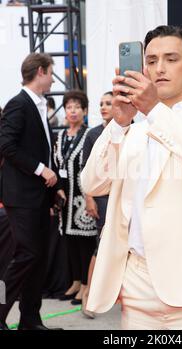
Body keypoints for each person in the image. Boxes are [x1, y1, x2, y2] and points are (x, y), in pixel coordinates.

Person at [81, 25, 182, 330]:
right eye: (152, 60)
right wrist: (118, 125)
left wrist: (154, 110)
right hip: (137, 285)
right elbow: (92, 183)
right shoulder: (135, 128)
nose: (159, 68)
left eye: (171, 59)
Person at [0, 52, 65, 331]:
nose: (53, 78)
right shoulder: (18, 104)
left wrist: (55, 188)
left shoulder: (40, 104)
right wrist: (42, 170)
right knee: (27, 254)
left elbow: (43, 151)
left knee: (37, 258)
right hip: (21, 196)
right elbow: (6, 145)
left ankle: (30, 319)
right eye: (51, 72)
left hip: (39, 196)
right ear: (40, 71)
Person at [55, 90, 97, 305]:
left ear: (85, 111)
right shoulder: (60, 136)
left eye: (77, 107)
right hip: (64, 197)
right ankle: (74, 282)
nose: (72, 111)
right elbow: (56, 165)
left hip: (82, 197)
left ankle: (86, 286)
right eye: (69, 107)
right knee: (69, 242)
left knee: (84, 242)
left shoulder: (89, 135)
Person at [81, 91, 113, 318]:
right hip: (101, 197)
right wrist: (89, 198)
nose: (103, 107)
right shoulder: (94, 134)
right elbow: (86, 170)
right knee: (100, 244)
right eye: (101, 104)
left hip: (125, 196)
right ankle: (89, 295)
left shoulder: (137, 130)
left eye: (108, 103)